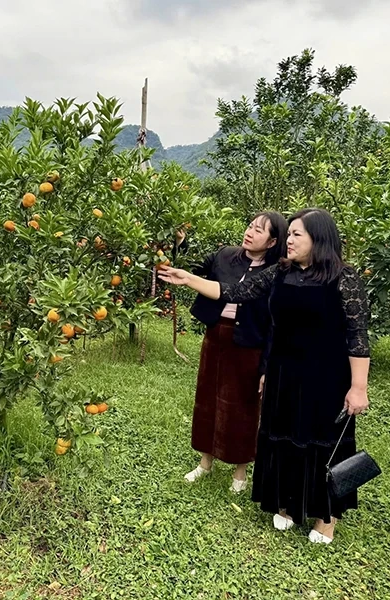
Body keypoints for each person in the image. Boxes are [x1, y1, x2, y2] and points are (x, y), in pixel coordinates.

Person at [159, 208, 370, 544]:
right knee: (282, 435)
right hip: (284, 369)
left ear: (320, 238)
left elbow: (357, 334)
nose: (289, 241)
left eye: (297, 235)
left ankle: (325, 517)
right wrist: (189, 279)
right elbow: (235, 293)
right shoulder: (281, 272)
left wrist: (358, 387)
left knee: (321, 442)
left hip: (325, 375)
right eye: (289, 235)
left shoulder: (342, 278)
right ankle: (286, 504)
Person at [181, 212, 287, 493]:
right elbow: (192, 268)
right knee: (207, 399)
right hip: (217, 338)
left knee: (244, 407)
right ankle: (205, 462)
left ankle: (240, 471)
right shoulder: (225, 256)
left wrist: (265, 366)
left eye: (259, 230)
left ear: (273, 241)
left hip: (250, 344)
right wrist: (180, 244)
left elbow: (276, 324)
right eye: (250, 226)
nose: (250, 232)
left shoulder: (278, 272)